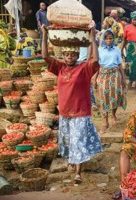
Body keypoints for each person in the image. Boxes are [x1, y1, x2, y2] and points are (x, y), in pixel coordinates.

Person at [41, 24, 102, 184]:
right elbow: (44, 56)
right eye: (66, 54)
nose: (69, 57)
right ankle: (72, 161)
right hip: (65, 112)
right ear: (63, 55)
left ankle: (78, 172)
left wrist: (93, 36)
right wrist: (44, 34)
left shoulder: (84, 68)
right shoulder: (60, 67)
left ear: (76, 55)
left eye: (72, 55)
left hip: (81, 112)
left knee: (78, 141)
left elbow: (95, 59)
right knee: (68, 141)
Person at [96, 30, 127, 133]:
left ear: (113, 39)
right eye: (107, 38)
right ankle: (105, 121)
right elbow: (97, 65)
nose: (109, 40)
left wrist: (123, 78)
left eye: (111, 38)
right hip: (103, 75)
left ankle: (113, 114)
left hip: (115, 75)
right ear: (104, 39)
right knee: (103, 98)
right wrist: (95, 77)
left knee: (115, 97)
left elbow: (119, 65)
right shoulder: (99, 50)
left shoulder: (117, 50)